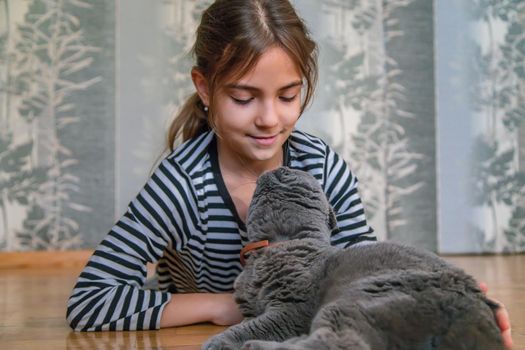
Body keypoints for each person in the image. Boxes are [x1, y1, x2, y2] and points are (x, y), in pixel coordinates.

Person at [66, 0, 512, 347]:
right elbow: (89, 302)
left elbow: (365, 268)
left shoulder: (322, 166)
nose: (269, 119)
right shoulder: (180, 185)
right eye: (244, 98)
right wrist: (224, 307)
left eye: (287, 95)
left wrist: (442, 302)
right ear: (204, 88)